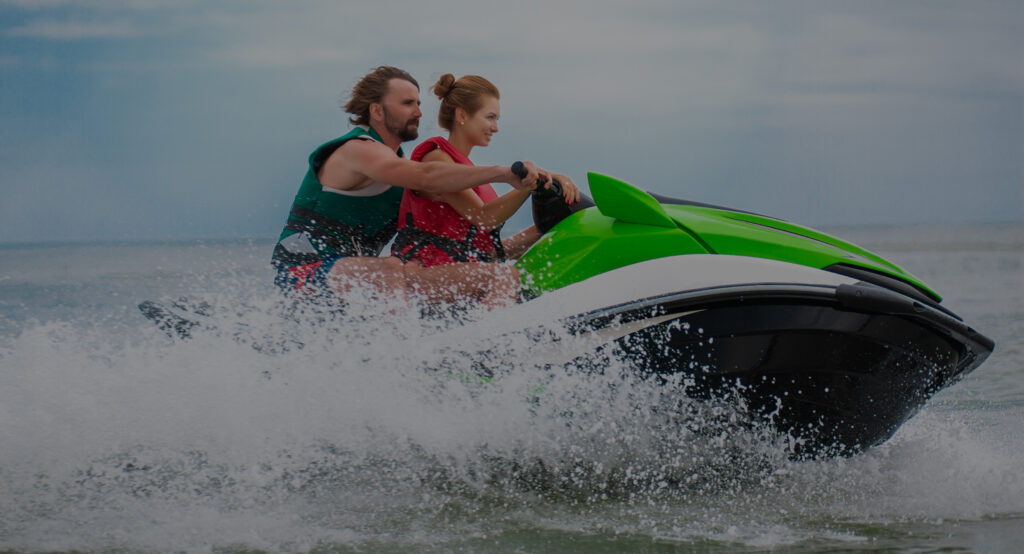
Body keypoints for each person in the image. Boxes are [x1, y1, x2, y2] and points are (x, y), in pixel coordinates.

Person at [271, 66, 551, 307]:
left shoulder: (398, 165)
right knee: (390, 269)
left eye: (418, 103)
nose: (418, 112)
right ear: (377, 111)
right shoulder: (358, 150)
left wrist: (545, 216)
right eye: (407, 104)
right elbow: (425, 176)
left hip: (354, 281)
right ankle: (406, 356)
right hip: (302, 272)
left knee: (396, 271)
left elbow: (468, 225)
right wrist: (504, 173)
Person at [391, 73, 580, 308]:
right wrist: (530, 184)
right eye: (490, 117)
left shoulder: (473, 175)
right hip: (418, 276)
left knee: (527, 283)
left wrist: (546, 227)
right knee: (505, 277)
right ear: (462, 115)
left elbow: (488, 252)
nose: (496, 127)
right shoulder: (437, 158)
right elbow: (484, 217)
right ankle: (491, 344)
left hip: (450, 276)